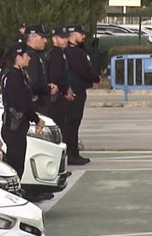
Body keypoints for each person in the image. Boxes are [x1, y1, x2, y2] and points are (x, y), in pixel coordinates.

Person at [0, 41, 56, 201]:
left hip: (17, 126)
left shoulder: (17, 75)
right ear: (18, 57)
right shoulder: (13, 77)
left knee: (18, 161)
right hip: (14, 126)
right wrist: (36, 119)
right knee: (15, 164)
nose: (29, 59)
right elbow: (22, 103)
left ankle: (14, 193)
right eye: (26, 56)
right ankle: (10, 196)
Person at [64, 24, 101, 165]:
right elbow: (83, 70)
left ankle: (73, 151)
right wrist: (95, 78)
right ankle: (71, 153)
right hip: (74, 90)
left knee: (75, 121)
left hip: (79, 89)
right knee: (72, 122)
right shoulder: (72, 52)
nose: (84, 36)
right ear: (73, 35)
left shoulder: (78, 50)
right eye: (81, 34)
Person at [44, 25, 75, 130]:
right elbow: (56, 77)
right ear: (54, 39)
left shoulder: (60, 53)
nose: (66, 40)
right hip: (56, 98)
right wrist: (66, 90)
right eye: (62, 37)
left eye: (67, 37)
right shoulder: (55, 54)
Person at [24, 25, 57, 112]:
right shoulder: (31, 56)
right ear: (33, 38)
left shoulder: (33, 54)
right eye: (42, 37)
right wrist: (48, 88)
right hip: (36, 105)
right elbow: (32, 83)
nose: (46, 41)